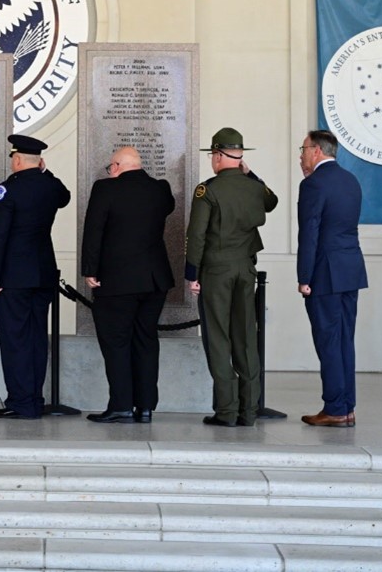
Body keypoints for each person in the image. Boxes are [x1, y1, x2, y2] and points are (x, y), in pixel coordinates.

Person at [185, 127, 278, 427]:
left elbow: (196, 236)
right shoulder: (253, 187)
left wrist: (191, 273)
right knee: (246, 338)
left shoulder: (207, 190)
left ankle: (226, 411)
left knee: (218, 338)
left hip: (216, 271)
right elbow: (271, 201)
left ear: (217, 156)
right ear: (239, 156)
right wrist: (252, 175)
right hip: (245, 270)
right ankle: (248, 410)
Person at [81, 146, 175, 424]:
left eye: (110, 167)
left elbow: (93, 229)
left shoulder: (105, 189)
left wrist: (90, 269)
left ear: (118, 165)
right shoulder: (160, 189)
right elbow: (168, 208)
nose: (109, 172)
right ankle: (145, 407)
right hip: (155, 280)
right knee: (146, 340)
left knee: (117, 343)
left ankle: (121, 405)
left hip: (116, 280)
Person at [0, 134, 71, 419]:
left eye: (13, 157)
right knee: (36, 338)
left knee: (16, 340)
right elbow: (65, 197)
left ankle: (21, 403)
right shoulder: (50, 186)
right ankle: (35, 399)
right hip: (43, 272)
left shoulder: (8, 190)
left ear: (18, 159)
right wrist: (46, 172)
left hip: (14, 275)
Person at [297, 130, 366, 428]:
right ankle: (346, 407)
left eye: (303, 149)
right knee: (344, 341)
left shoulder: (313, 184)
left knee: (328, 341)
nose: (300, 155)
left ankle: (335, 409)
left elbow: (309, 233)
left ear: (316, 151)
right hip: (351, 269)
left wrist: (304, 276)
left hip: (324, 273)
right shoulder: (351, 180)